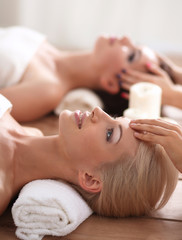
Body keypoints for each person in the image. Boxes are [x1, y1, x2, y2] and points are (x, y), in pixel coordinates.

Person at [0, 94, 178, 217]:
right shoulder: (29, 131)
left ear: (90, 179)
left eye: (110, 134)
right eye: (114, 117)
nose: (98, 111)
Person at [1, 26, 180, 122]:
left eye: (131, 55)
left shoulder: (47, 90)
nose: (126, 37)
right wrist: (173, 72)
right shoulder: (45, 45)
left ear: (111, 83)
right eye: (136, 43)